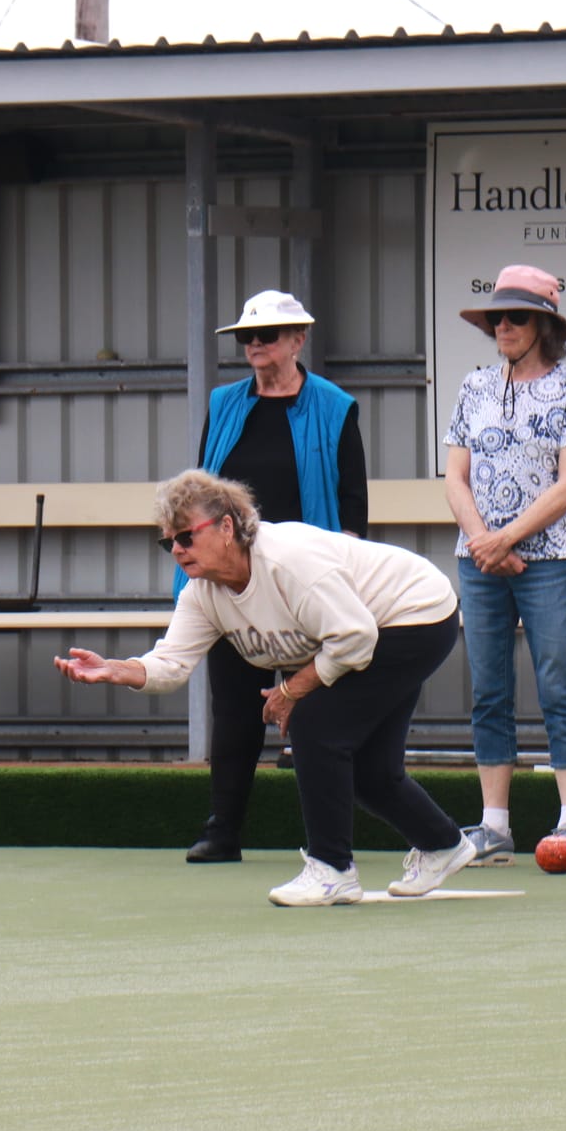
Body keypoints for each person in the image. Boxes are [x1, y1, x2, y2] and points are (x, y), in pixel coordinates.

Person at [58, 470, 476, 907]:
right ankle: (443, 845)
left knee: (316, 723)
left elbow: (355, 638)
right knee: (370, 771)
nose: (178, 550)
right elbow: (171, 663)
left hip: (415, 614)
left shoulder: (286, 563)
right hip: (365, 632)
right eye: (169, 543)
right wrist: (119, 670)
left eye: (185, 537)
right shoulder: (203, 593)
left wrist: (292, 691)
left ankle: (332, 870)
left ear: (226, 526)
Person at [181, 289, 369, 865]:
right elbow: (200, 493)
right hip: (234, 580)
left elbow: (352, 504)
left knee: (315, 712)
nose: (255, 345)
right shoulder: (224, 402)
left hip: (306, 581)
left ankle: (328, 842)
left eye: (268, 335)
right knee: (234, 709)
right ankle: (223, 829)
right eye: (247, 337)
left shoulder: (335, 406)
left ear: (298, 339)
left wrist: (346, 574)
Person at [443, 264, 566, 868]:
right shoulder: (474, 386)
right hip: (478, 560)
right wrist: (482, 540)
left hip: (548, 560)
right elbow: (455, 476)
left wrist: (504, 538)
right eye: (497, 318)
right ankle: (495, 825)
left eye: (517, 317)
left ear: (544, 325)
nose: (503, 326)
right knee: (489, 690)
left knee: (558, 683)